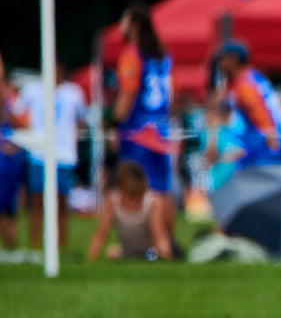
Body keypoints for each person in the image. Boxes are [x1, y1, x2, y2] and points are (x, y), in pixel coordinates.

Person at [114, 2, 176, 240]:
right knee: (162, 187)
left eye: (124, 20)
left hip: (138, 130)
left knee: (135, 185)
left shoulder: (132, 54)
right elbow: (172, 94)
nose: (121, 25)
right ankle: (167, 241)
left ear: (135, 25)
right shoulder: (162, 55)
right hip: (161, 128)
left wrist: (114, 122)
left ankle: (145, 240)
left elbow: (127, 94)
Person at [19, 59, 88, 249]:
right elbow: (19, 115)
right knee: (37, 202)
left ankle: (61, 247)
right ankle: (35, 246)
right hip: (39, 154)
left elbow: (82, 120)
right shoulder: (32, 90)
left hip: (65, 155)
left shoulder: (74, 92)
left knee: (61, 204)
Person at [215, 41, 281, 170]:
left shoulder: (244, 84)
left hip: (265, 151)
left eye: (222, 59)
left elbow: (259, 113)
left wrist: (271, 142)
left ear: (234, 59)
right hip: (267, 146)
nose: (220, 64)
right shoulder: (252, 77)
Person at [87, 160, 173, 261]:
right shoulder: (112, 201)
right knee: (112, 253)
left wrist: (165, 254)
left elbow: (159, 235)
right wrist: (90, 259)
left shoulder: (153, 202)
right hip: (128, 251)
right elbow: (101, 233)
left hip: (151, 252)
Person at [0, 56, 28, 249]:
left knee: (6, 211)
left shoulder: (12, 99)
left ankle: (12, 249)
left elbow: (25, 123)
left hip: (7, 161)